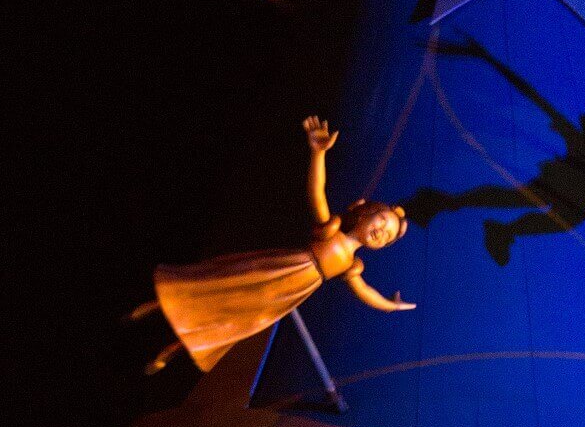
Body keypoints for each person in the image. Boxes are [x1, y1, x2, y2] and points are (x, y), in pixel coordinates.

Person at [127, 116, 414, 374]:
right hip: (275, 269)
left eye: (387, 237)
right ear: (364, 213)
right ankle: (156, 305)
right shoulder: (332, 229)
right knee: (219, 285)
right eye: (381, 223)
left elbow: (365, 291)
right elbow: (317, 193)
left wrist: (390, 305)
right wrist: (317, 154)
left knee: (234, 321)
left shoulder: (352, 265)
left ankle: (170, 351)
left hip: (284, 294)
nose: (381, 233)